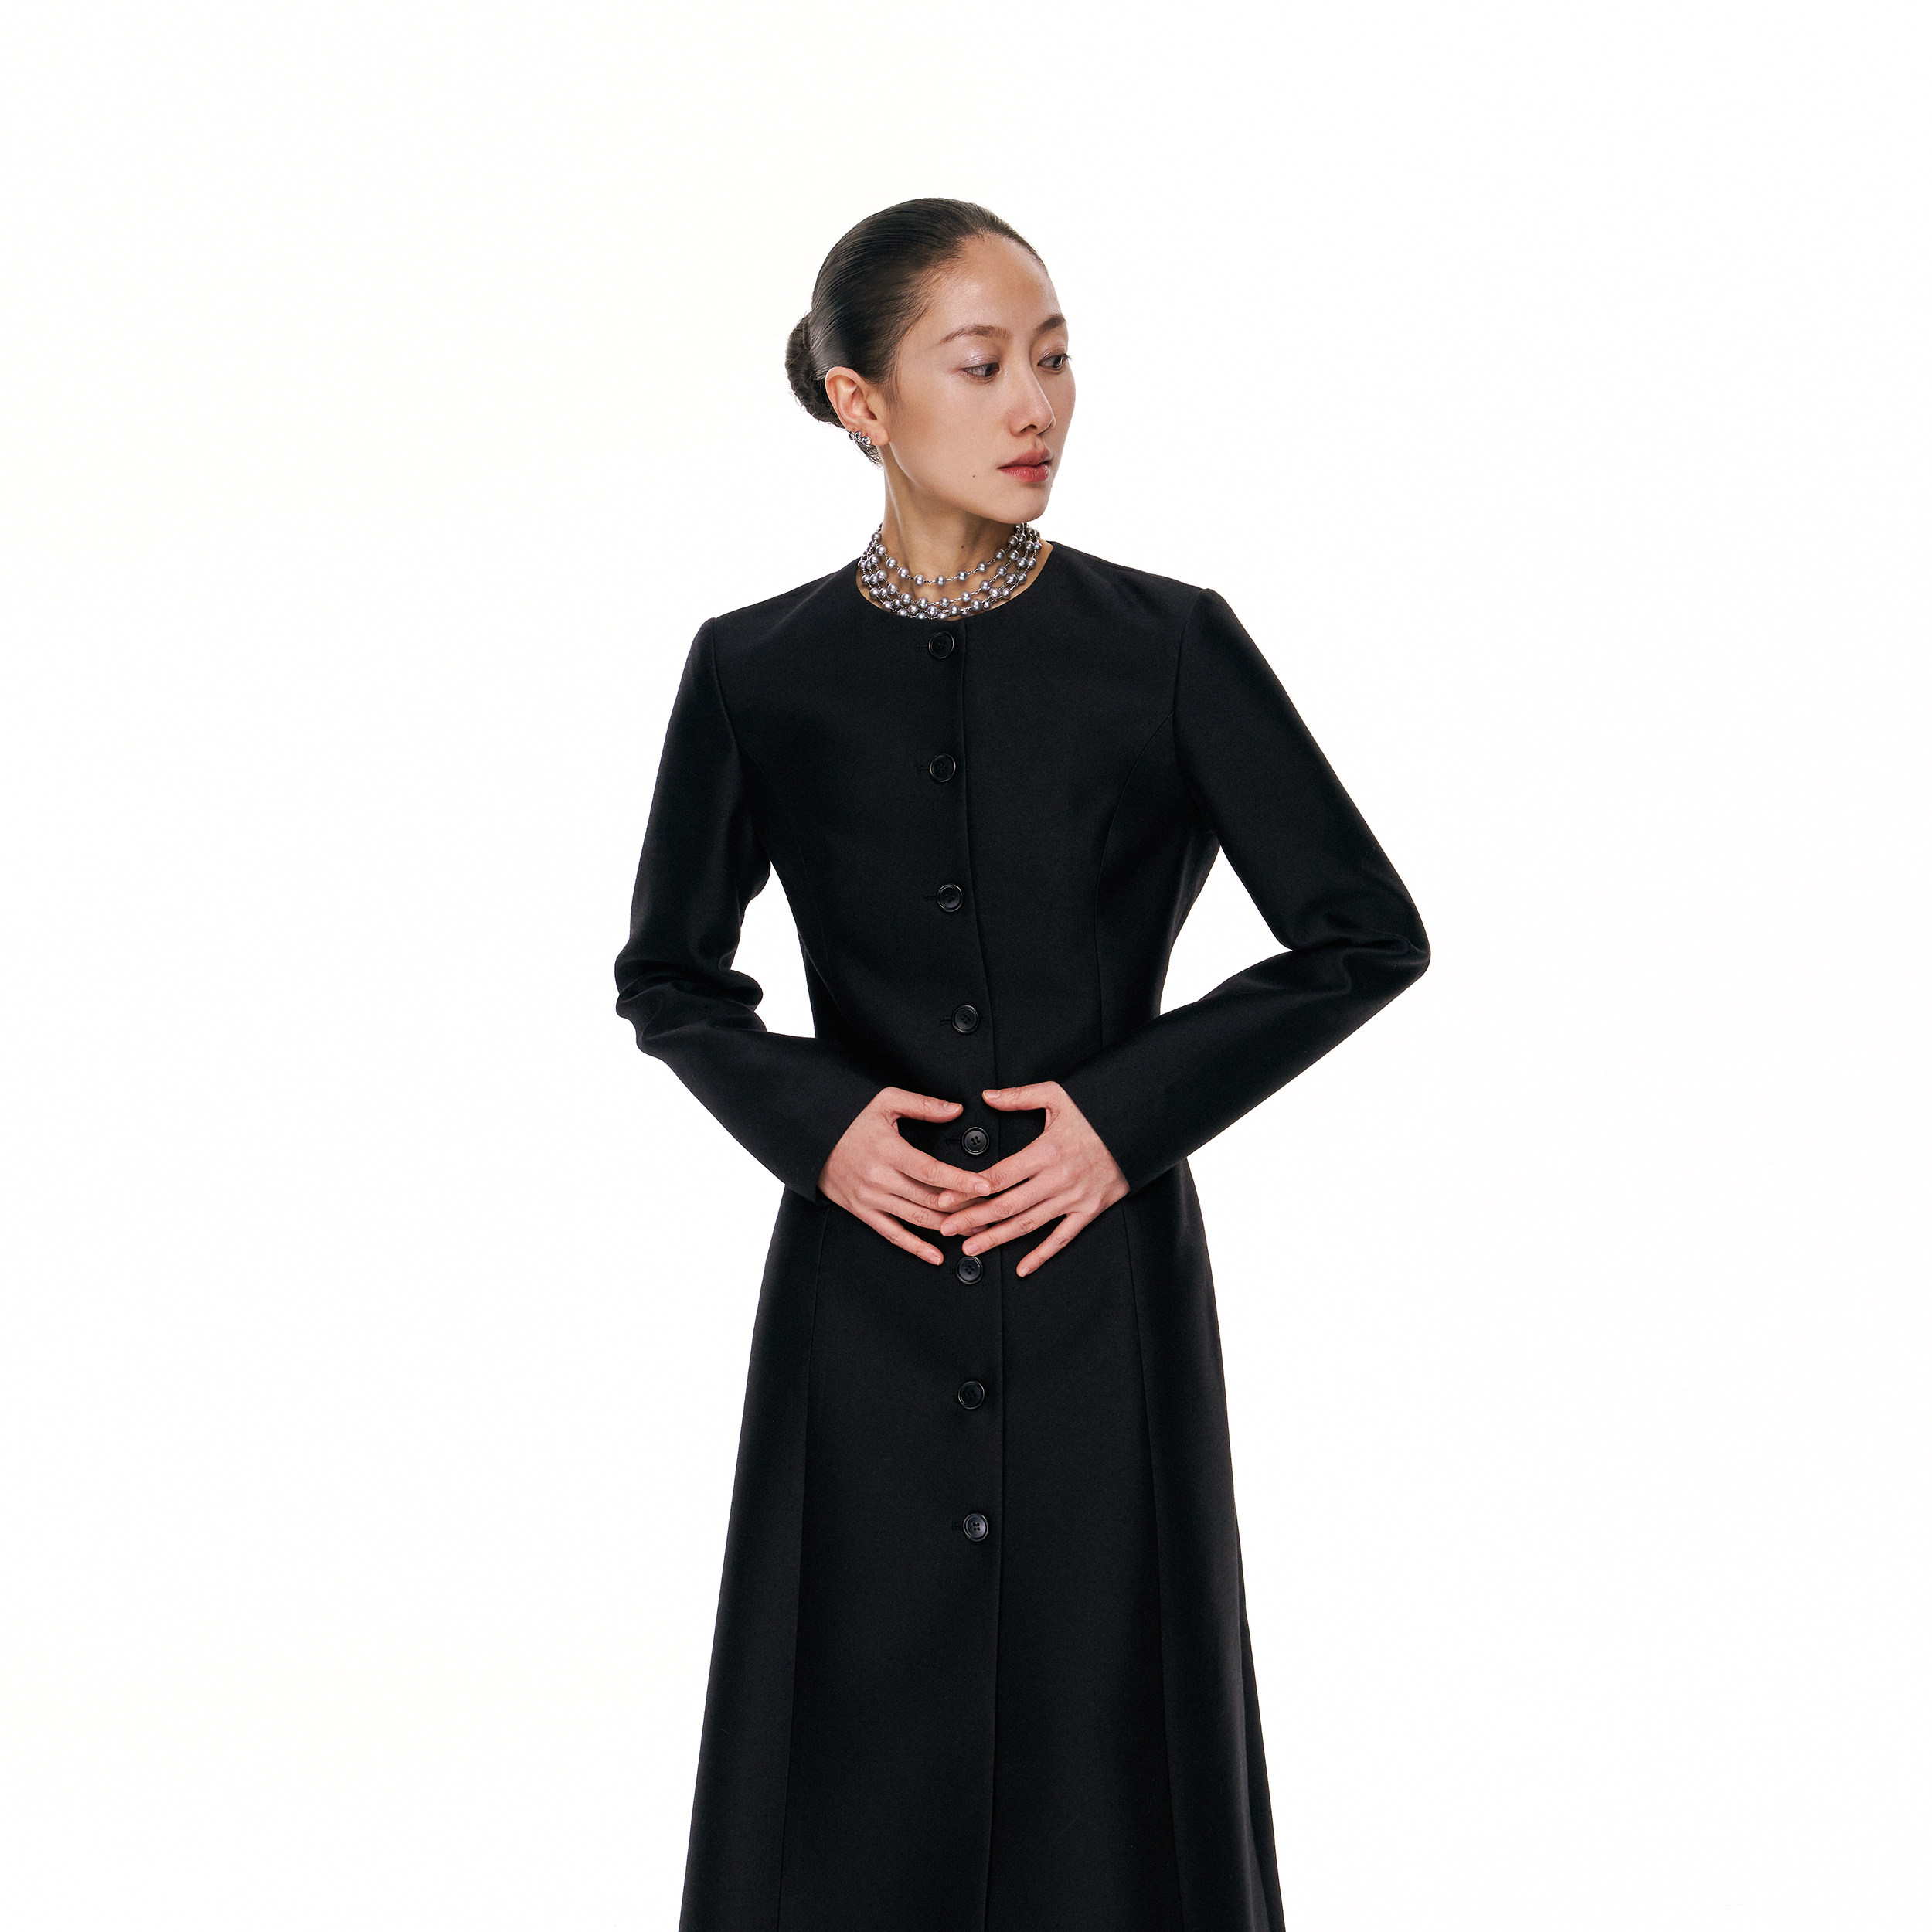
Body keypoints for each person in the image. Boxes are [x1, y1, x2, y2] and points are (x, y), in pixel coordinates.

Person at [614, 196, 1429, 1932]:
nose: (1035, 404)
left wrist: (1122, 1122)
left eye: (1054, 359)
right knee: (844, 1745)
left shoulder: (1169, 645)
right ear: (861, 402)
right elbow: (669, 977)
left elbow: (1363, 932)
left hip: (1095, 1286)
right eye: (980, 365)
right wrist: (820, 1128)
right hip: (864, 1288)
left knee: (1111, 1745)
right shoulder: (755, 669)